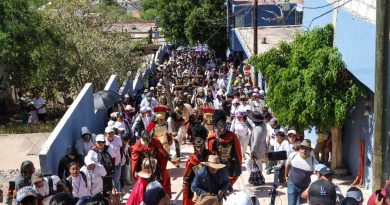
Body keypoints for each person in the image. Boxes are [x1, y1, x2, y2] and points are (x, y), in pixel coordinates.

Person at [131, 124, 172, 198]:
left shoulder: (155, 142)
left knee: (158, 183)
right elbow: (134, 159)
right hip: (144, 169)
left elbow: (162, 151)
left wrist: (169, 158)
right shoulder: (137, 145)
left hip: (155, 167)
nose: (147, 142)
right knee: (143, 186)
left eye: (148, 140)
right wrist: (135, 171)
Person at [207, 110, 242, 185]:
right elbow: (210, 159)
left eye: (222, 126)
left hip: (229, 170)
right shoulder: (212, 139)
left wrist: (233, 179)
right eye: (218, 127)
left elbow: (238, 156)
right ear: (215, 127)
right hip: (217, 171)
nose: (221, 129)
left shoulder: (233, 137)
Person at [183, 125, 213, 205]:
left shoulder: (212, 156)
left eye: (200, 146)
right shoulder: (191, 159)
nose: (199, 149)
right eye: (197, 147)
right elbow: (187, 178)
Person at [285, 139, 318, 205]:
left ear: (310, 151)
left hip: (305, 188)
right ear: (299, 149)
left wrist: (310, 188)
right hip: (292, 184)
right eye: (302, 148)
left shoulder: (314, 162)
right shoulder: (293, 155)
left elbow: (318, 175)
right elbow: (287, 165)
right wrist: (286, 176)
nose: (304, 150)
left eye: (307, 149)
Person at [248, 111, 267, 185]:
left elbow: (255, 142)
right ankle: (259, 179)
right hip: (262, 149)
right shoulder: (263, 125)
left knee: (248, 163)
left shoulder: (257, 129)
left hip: (257, 151)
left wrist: (252, 151)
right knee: (259, 164)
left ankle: (254, 177)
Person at [104, 126, 122, 192]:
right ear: (106, 134)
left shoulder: (118, 138)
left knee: (116, 180)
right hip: (108, 166)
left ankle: (118, 196)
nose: (111, 134)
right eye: (109, 133)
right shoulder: (103, 142)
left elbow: (120, 148)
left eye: (112, 132)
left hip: (117, 163)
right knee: (110, 181)